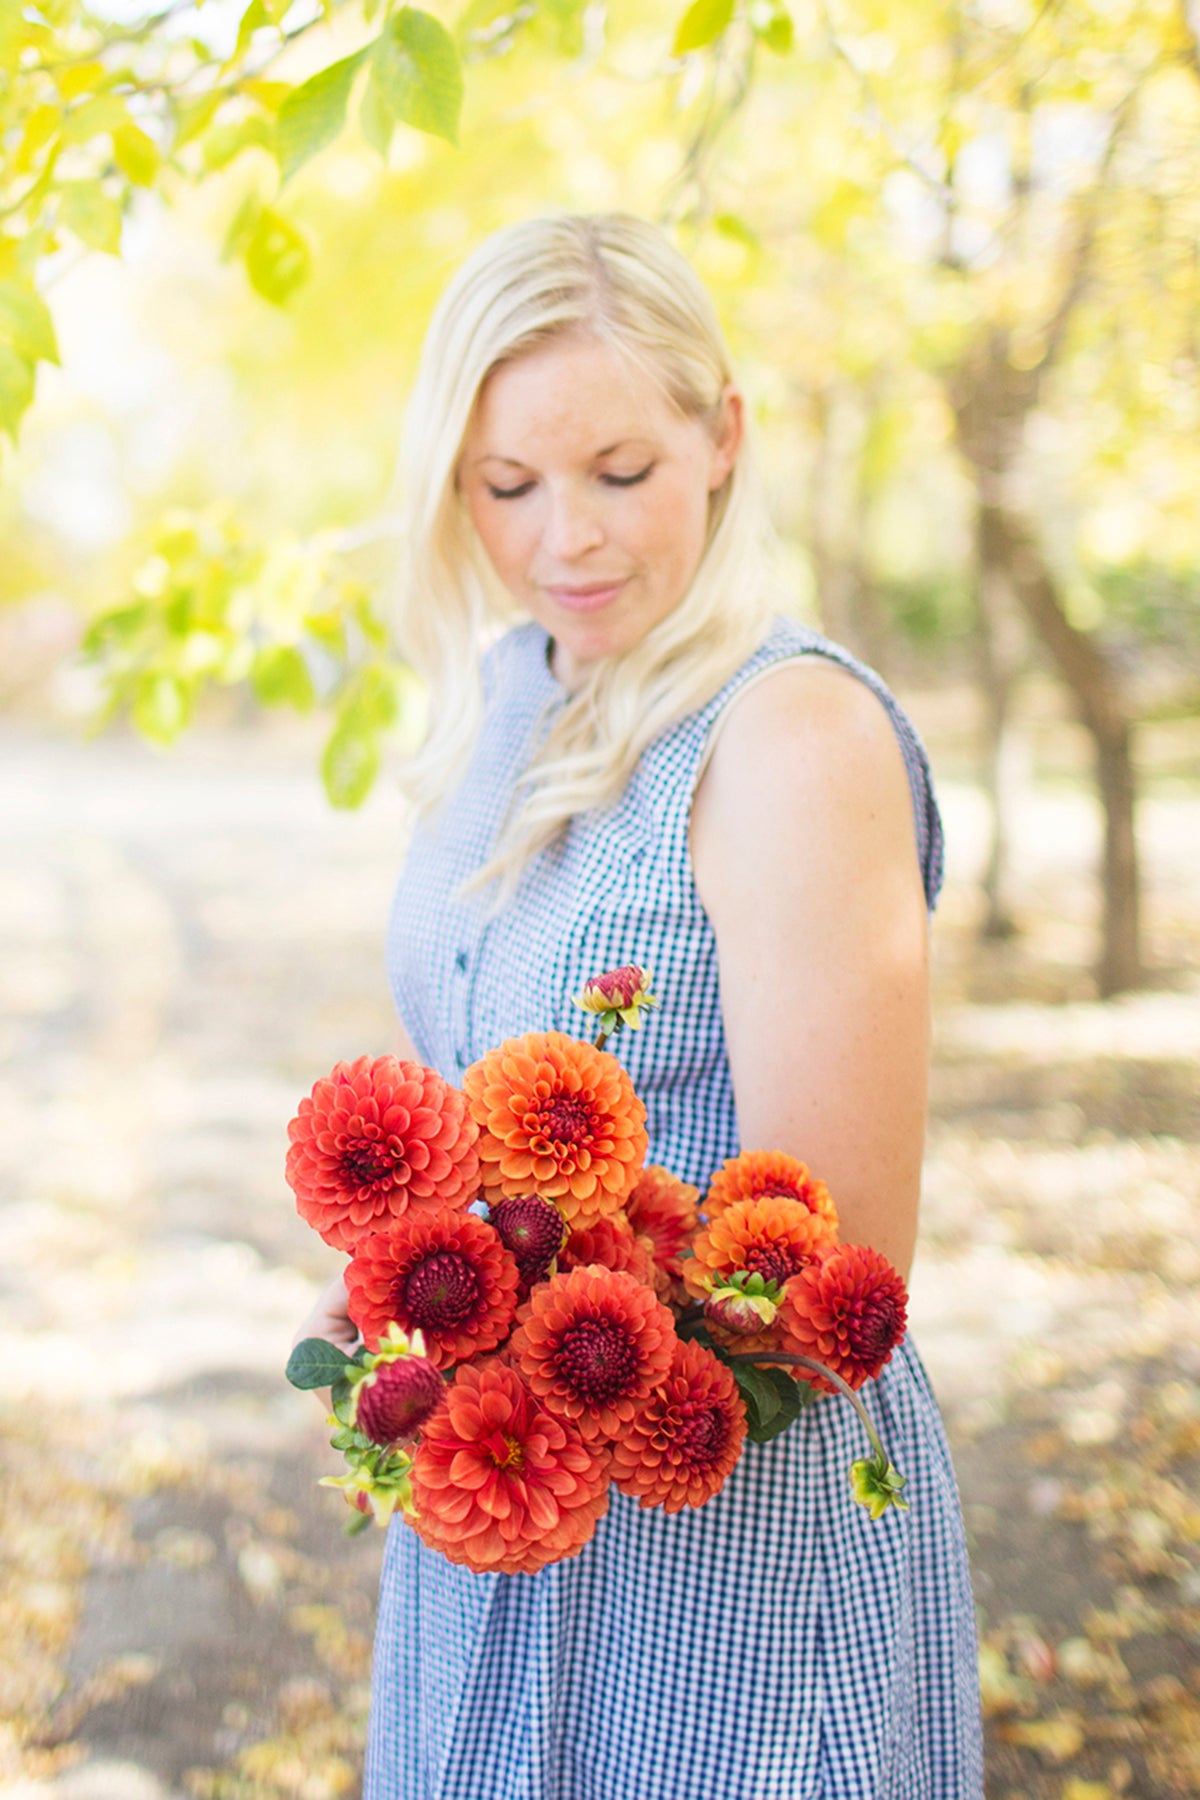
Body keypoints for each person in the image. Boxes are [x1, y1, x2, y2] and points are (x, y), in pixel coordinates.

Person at [294, 212, 985, 1800]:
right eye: (507, 486)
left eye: (621, 472)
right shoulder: (511, 701)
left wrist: (528, 1372)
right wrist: (406, 1319)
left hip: (721, 1534)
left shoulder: (790, 735)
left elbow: (836, 1270)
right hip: (495, 1520)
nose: (566, 543)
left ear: (724, 437)